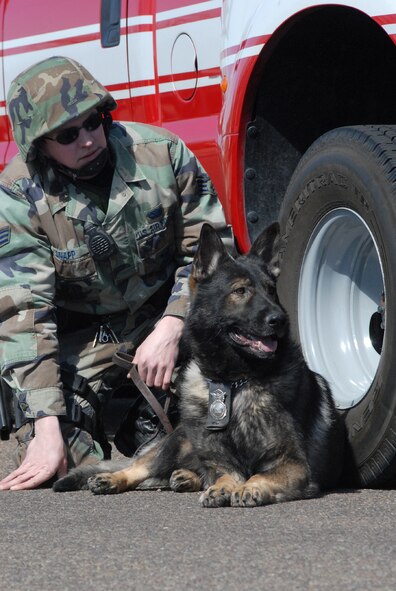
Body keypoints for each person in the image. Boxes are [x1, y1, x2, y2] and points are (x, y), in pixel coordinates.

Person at [0, 56, 233, 491]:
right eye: (68, 135)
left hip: (166, 316)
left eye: (94, 123)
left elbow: (212, 257)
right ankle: (130, 426)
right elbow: (25, 314)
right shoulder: (18, 197)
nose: (88, 140)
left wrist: (172, 324)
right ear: (39, 146)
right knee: (64, 461)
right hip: (88, 336)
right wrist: (45, 425)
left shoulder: (162, 154)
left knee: (235, 416)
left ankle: (155, 425)